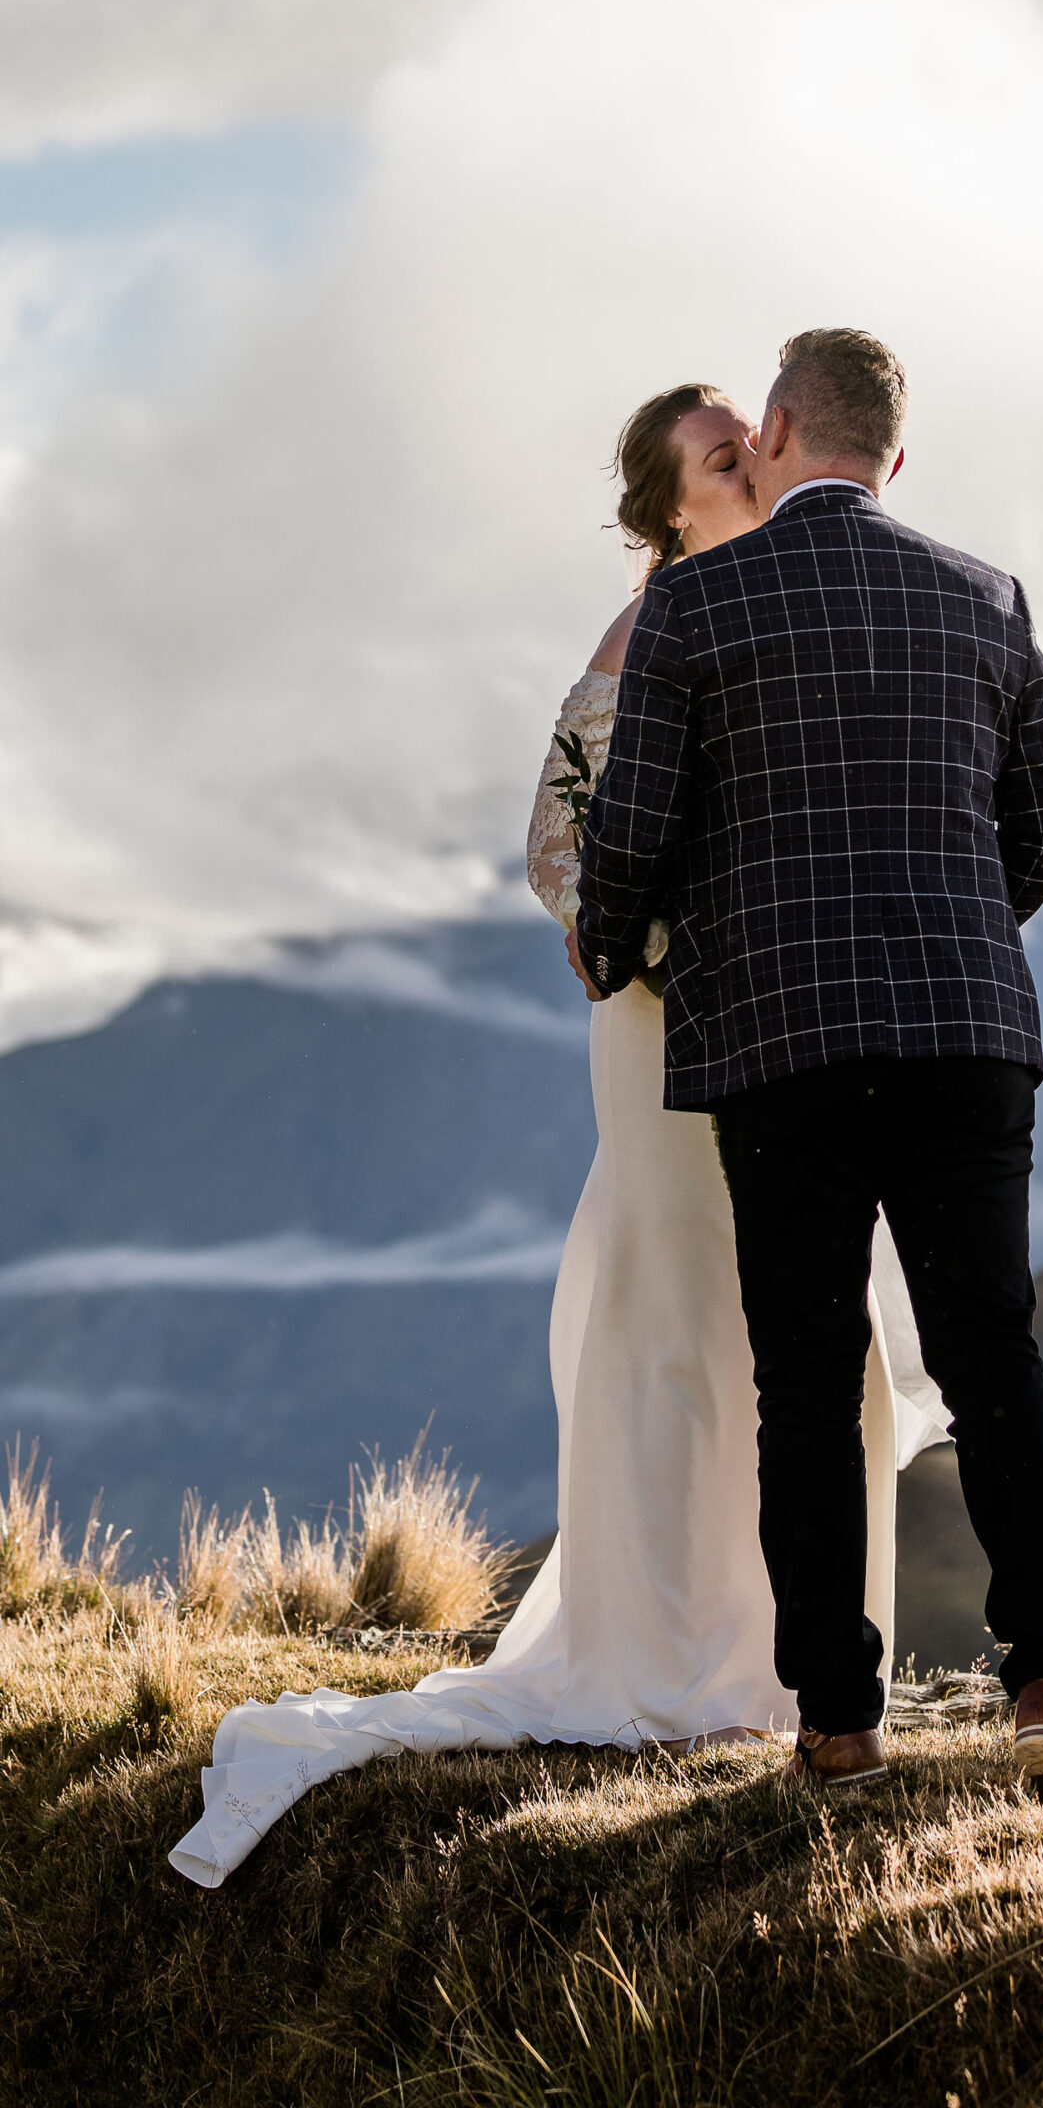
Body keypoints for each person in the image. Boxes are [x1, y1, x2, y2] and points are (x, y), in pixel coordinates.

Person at [169, 381, 948, 1890]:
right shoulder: (648, 632)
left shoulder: (783, 610)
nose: (756, 462)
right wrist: (678, 948)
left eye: (758, 442)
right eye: (724, 457)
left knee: (818, 1328)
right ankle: (665, 1650)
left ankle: (808, 1662)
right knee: (676, 1314)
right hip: (673, 1030)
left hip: (806, 1031)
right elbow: (558, 847)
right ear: (671, 507)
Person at [573, 327, 1043, 1795]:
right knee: (989, 1352)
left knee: (805, 1378)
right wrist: (948, 921)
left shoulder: (701, 601)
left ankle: (838, 1721)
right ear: (893, 454)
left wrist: (612, 945)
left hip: (775, 1035)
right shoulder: (982, 596)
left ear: (780, 422)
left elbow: (627, 830)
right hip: (964, 1032)